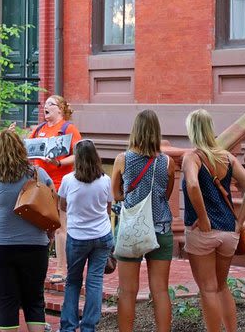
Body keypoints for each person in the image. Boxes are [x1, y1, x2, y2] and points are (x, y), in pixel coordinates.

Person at [182, 109, 245, 332]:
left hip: (203, 232)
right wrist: (239, 222)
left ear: (192, 130)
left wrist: (203, 218)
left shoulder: (192, 157)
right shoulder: (226, 157)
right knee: (221, 286)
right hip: (228, 231)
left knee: (207, 288)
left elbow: (193, 185)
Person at [0, 129, 53, 332]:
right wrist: (50, 234)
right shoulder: (38, 174)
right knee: (35, 299)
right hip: (35, 243)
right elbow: (52, 204)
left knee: (5, 299)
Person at [111, 109, 176, 332]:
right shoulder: (167, 162)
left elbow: (117, 195)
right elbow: (166, 194)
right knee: (160, 290)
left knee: (127, 291)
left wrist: (131, 196)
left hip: (131, 229)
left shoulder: (123, 159)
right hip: (160, 228)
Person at [58, 140, 113, 332]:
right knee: (95, 281)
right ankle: (89, 326)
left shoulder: (68, 180)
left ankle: (68, 325)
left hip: (78, 237)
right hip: (102, 235)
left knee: (73, 281)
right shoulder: (105, 180)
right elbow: (108, 209)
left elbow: (63, 205)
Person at [27, 95, 81, 282]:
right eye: (46, 103)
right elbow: (26, 149)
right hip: (38, 184)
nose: (46, 106)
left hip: (59, 184)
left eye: (51, 104)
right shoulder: (39, 129)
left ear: (60, 109)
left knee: (59, 226)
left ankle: (61, 268)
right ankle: (37, 266)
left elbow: (78, 155)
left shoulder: (68, 129)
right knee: (40, 226)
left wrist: (58, 162)